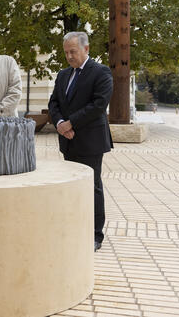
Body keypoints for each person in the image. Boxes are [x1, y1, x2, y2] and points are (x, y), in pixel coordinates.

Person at [48, 31, 113, 252]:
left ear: (86, 49)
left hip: (90, 141)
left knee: (92, 187)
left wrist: (70, 123)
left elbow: (98, 105)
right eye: (66, 52)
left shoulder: (101, 72)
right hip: (68, 140)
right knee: (72, 186)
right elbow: (54, 103)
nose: (69, 56)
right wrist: (59, 124)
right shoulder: (63, 75)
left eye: (73, 51)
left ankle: (95, 234)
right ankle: (74, 227)